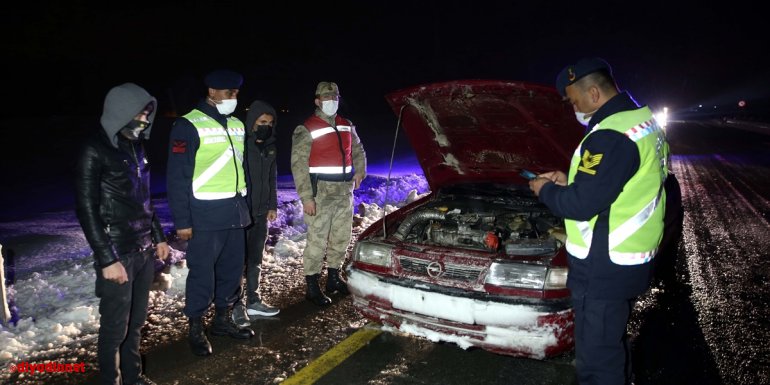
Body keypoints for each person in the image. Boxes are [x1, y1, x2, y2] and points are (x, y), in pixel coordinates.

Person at [529, 58, 671, 385]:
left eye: (574, 101)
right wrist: (569, 180)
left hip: (603, 267)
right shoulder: (641, 122)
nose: (573, 109)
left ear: (593, 93)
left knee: (597, 361)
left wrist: (546, 189)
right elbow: (618, 184)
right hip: (630, 259)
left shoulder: (610, 135)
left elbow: (580, 205)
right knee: (612, 343)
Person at [75, 82, 170, 385]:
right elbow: (86, 208)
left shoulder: (136, 147)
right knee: (115, 328)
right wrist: (107, 259)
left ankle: (134, 378)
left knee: (136, 324)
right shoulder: (94, 149)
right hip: (117, 252)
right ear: (120, 112)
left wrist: (158, 236)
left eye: (147, 116)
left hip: (143, 250)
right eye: (139, 115)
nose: (143, 122)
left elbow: (145, 199)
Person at [166, 69, 254, 357]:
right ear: (213, 92)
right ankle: (195, 327)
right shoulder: (188, 125)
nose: (235, 98)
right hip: (204, 214)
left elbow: (241, 168)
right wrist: (182, 221)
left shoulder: (238, 124)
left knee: (231, 271)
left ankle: (221, 321)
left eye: (237, 93)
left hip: (235, 211)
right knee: (202, 273)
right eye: (230, 93)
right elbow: (177, 178)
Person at [290, 81, 367, 306]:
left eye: (335, 98)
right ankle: (312, 286)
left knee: (341, 236)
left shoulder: (346, 125)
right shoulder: (306, 128)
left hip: (344, 191)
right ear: (317, 101)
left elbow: (358, 150)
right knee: (317, 240)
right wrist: (306, 198)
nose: (331, 102)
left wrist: (360, 170)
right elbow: (299, 165)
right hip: (320, 193)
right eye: (326, 98)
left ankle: (334, 278)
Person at [231, 100, 281, 326]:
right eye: (262, 122)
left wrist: (273, 205)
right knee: (236, 261)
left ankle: (254, 300)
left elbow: (272, 178)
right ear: (252, 123)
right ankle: (236, 305)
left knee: (255, 260)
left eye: (270, 123)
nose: (266, 126)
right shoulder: (240, 145)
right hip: (242, 214)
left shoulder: (270, 145)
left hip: (261, 213)